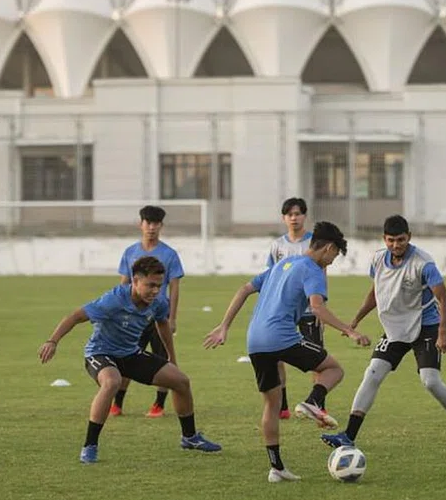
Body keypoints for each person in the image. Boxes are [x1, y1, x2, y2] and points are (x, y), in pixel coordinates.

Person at [203, 221, 370, 482]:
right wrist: (350, 330)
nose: (332, 261)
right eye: (335, 255)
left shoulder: (281, 264)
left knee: (271, 404)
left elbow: (245, 289)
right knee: (333, 369)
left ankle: (276, 468)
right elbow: (317, 308)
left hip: (255, 340)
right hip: (280, 337)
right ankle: (313, 402)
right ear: (327, 248)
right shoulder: (313, 269)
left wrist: (224, 326)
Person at [38, 255, 221, 463]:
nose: (155, 291)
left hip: (129, 353)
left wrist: (172, 357)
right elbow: (75, 317)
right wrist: (52, 341)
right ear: (134, 281)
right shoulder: (113, 300)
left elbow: (163, 325)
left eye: (159, 286)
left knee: (181, 381)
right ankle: (90, 445)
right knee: (112, 382)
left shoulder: (159, 302)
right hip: (100, 353)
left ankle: (190, 437)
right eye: (150, 285)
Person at [321, 215, 446, 451]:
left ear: (408, 237)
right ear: (384, 239)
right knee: (372, 374)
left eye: (400, 240)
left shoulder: (423, 263)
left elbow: (445, 299)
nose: (396, 245)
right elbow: (376, 292)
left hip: (426, 326)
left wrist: (443, 332)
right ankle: (348, 435)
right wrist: (357, 319)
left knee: (430, 381)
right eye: (391, 240)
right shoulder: (378, 259)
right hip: (395, 329)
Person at [109, 205, 184, 418]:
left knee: (164, 358)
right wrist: (117, 310)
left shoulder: (169, 254)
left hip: (159, 316)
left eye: (156, 223)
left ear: (161, 226)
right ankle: (117, 404)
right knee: (126, 357)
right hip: (134, 316)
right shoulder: (130, 252)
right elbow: (123, 284)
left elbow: (174, 287)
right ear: (140, 224)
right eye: (148, 222)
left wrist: (173, 317)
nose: (151, 227)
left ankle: (158, 405)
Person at [266, 197, 316, 420]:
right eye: (290, 214)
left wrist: (319, 304)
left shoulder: (313, 243)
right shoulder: (278, 246)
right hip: (283, 311)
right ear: (284, 218)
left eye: (298, 213)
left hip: (308, 311)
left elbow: (320, 273)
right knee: (277, 358)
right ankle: (283, 406)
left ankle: (317, 404)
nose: (294, 218)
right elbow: (271, 276)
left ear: (305, 216)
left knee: (316, 358)